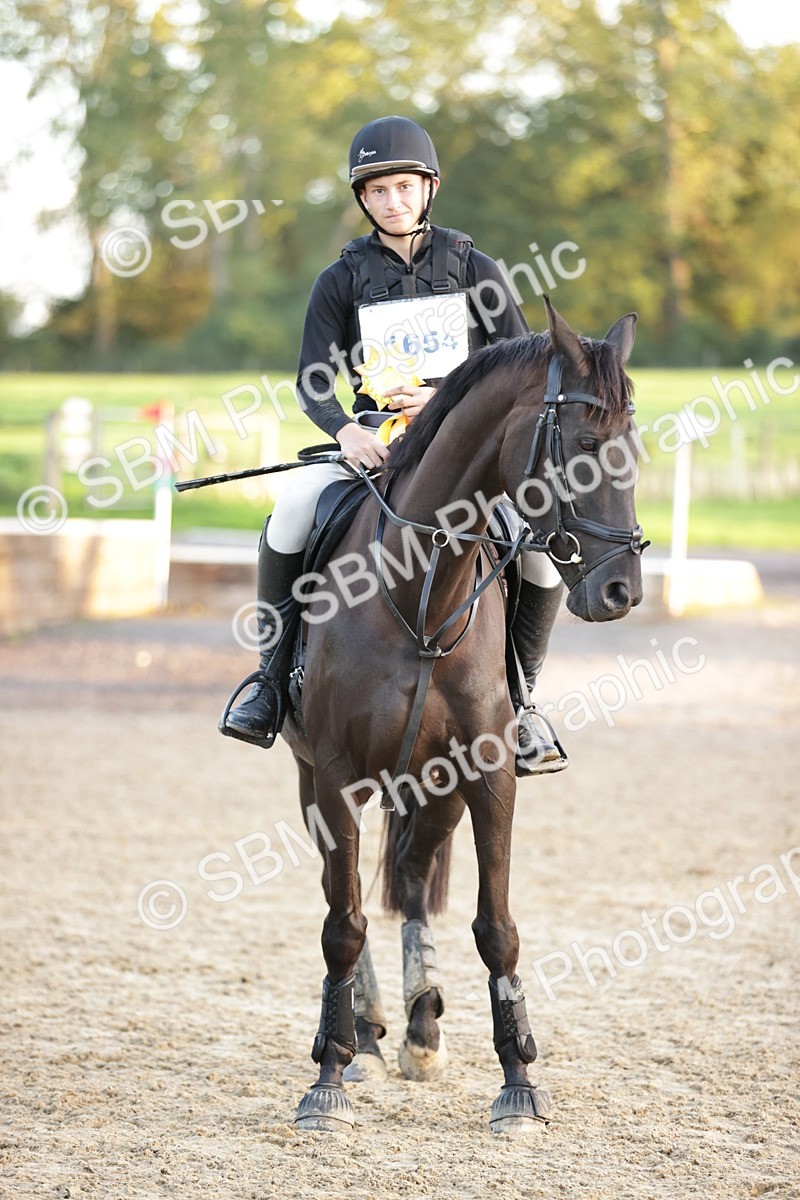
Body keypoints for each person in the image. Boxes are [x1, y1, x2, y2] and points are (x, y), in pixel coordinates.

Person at [219, 115, 567, 774]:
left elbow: (521, 366)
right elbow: (313, 382)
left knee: (539, 551)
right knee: (293, 510)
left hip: (463, 456)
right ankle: (268, 683)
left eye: (404, 186)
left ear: (428, 188)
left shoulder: (474, 267)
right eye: (377, 191)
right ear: (363, 199)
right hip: (373, 446)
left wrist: (443, 402)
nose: (392, 201)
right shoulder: (340, 279)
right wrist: (347, 432)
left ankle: (522, 705)